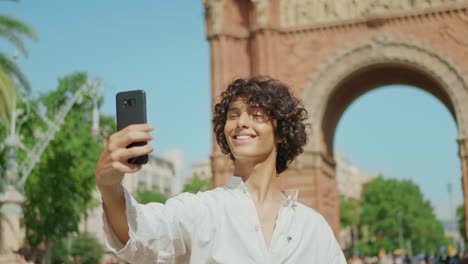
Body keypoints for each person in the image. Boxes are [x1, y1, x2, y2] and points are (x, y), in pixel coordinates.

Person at [96, 76, 346, 263]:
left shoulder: (312, 227)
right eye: (233, 115)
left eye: (256, 114)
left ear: (280, 132)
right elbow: (140, 236)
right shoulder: (201, 211)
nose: (241, 123)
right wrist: (108, 186)